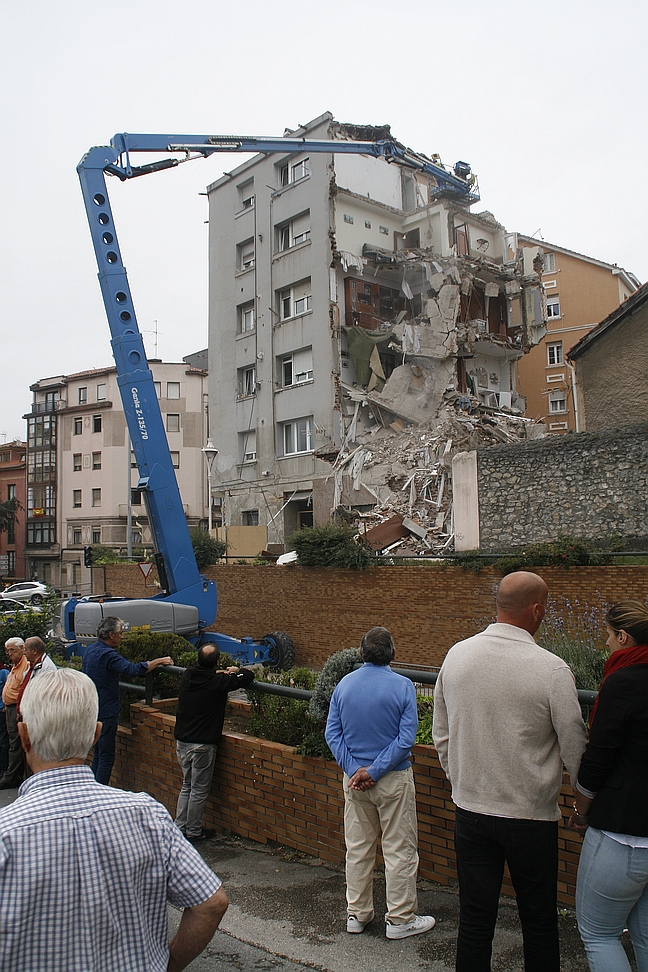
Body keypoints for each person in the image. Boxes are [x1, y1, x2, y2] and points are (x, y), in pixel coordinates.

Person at [0, 668, 228, 972]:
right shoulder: (148, 814)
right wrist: (167, 964)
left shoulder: (6, 834)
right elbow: (211, 903)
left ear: (24, 735)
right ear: (96, 734)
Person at [432, 571, 587, 972]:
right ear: (536, 610)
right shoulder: (552, 670)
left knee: (475, 921)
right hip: (531, 818)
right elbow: (575, 748)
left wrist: (461, 780)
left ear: (498, 604)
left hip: (471, 812)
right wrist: (584, 803)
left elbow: (441, 734)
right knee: (538, 922)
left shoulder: (457, 655)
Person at [325, 626, 435, 940]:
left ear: (361, 653)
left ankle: (356, 915)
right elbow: (406, 739)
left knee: (358, 849)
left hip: (354, 782)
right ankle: (400, 919)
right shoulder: (403, 687)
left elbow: (333, 733)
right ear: (393, 654)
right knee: (399, 849)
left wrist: (355, 769)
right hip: (393, 780)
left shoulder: (344, 685)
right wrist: (375, 770)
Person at [569, 600, 648, 972]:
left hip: (623, 833)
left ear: (623, 636)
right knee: (646, 934)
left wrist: (580, 810)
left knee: (599, 933)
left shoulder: (623, 682)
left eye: (607, 637)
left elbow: (598, 758)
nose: (606, 646)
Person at [174, 644, 255, 843]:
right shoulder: (218, 682)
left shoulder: (189, 675)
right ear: (217, 662)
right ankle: (193, 831)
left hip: (182, 742)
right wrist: (235, 671)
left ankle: (178, 828)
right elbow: (248, 676)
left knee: (187, 785)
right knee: (199, 789)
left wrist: (219, 673)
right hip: (202, 745)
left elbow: (206, 675)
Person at [82, 616, 173, 784]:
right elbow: (132, 669)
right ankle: (99, 793)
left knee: (98, 753)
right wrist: (159, 661)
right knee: (107, 757)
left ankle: (91, 789)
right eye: (120, 633)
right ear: (111, 635)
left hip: (92, 710)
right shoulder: (108, 655)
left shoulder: (90, 650)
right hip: (106, 712)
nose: (122, 637)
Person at [0, 637, 28, 789]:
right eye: (8, 651)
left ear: (22, 649)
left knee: (15, 744)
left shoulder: (25, 665)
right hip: (9, 708)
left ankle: (11, 777)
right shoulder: (15, 666)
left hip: (17, 709)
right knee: (12, 742)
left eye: (12, 650)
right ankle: (14, 775)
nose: (9, 653)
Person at [17, 636, 57, 708]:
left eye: (25, 649)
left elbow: (45, 695)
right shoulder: (33, 664)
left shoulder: (47, 668)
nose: (24, 653)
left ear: (34, 651)